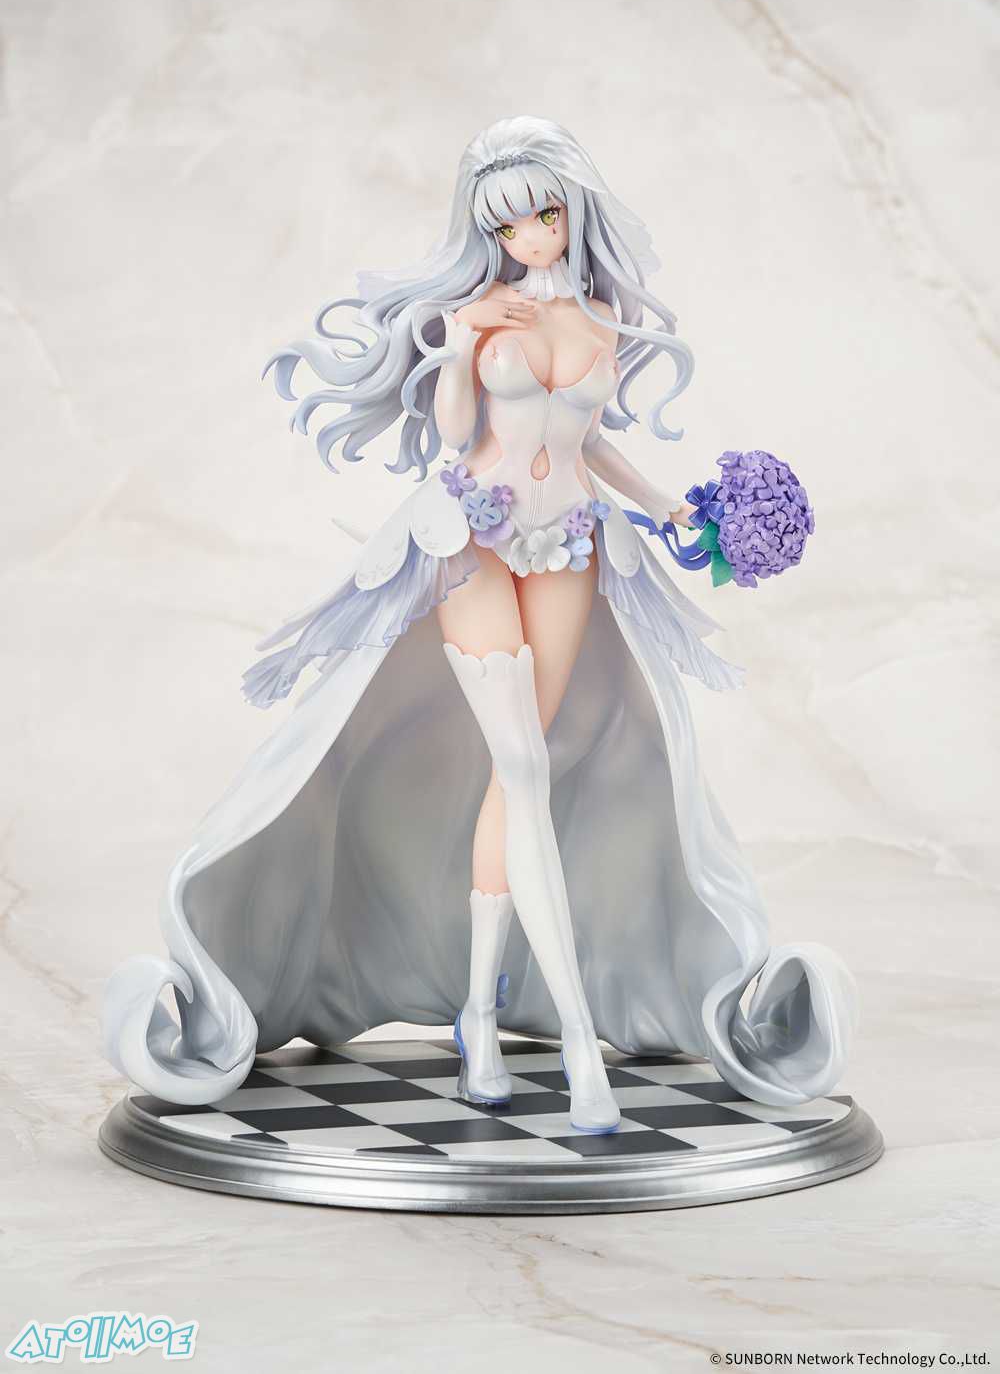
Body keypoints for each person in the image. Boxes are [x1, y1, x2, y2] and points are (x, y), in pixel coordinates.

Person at [102, 117, 858, 1133]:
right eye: (508, 224)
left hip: (570, 543)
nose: (531, 236)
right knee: (525, 764)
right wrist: (460, 349)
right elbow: (457, 435)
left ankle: (478, 1010)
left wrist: (674, 508)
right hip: (474, 537)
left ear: (572, 210)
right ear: (487, 232)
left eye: (544, 214)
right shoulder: (482, 313)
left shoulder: (600, 321)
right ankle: (577, 1043)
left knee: (523, 771)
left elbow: (592, 444)